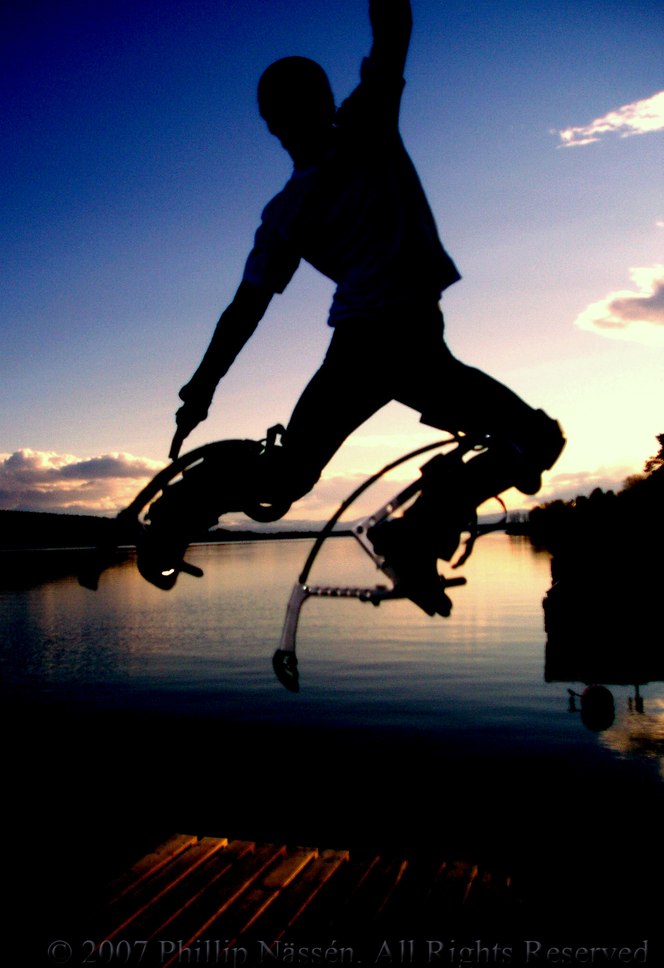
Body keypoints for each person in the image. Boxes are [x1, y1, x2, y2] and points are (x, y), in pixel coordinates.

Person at [169, 0, 565, 616]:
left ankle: (182, 510)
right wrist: (200, 389)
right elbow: (394, 26)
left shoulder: (288, 207)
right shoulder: (365, 126)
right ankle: (414, 534)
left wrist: (201, 389)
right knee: (536, 440)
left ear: (273, 125)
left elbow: (244, 310)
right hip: (399, 339)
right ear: (313, 109)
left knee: (287, 478)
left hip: (359, 347)